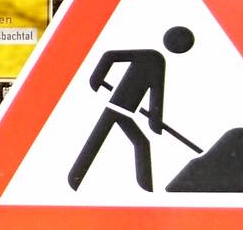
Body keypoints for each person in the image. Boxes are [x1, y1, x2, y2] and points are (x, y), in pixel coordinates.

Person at [69, 27, 194, 191]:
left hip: (123, 111)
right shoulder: (154, 58)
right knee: (128, 141)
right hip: (116, 108)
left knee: (137, 142)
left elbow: (156, 94)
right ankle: (73, 180)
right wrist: (96, 78)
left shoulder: (154, 59)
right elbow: (110, 56)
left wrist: (155, 121)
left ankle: (145, 190)